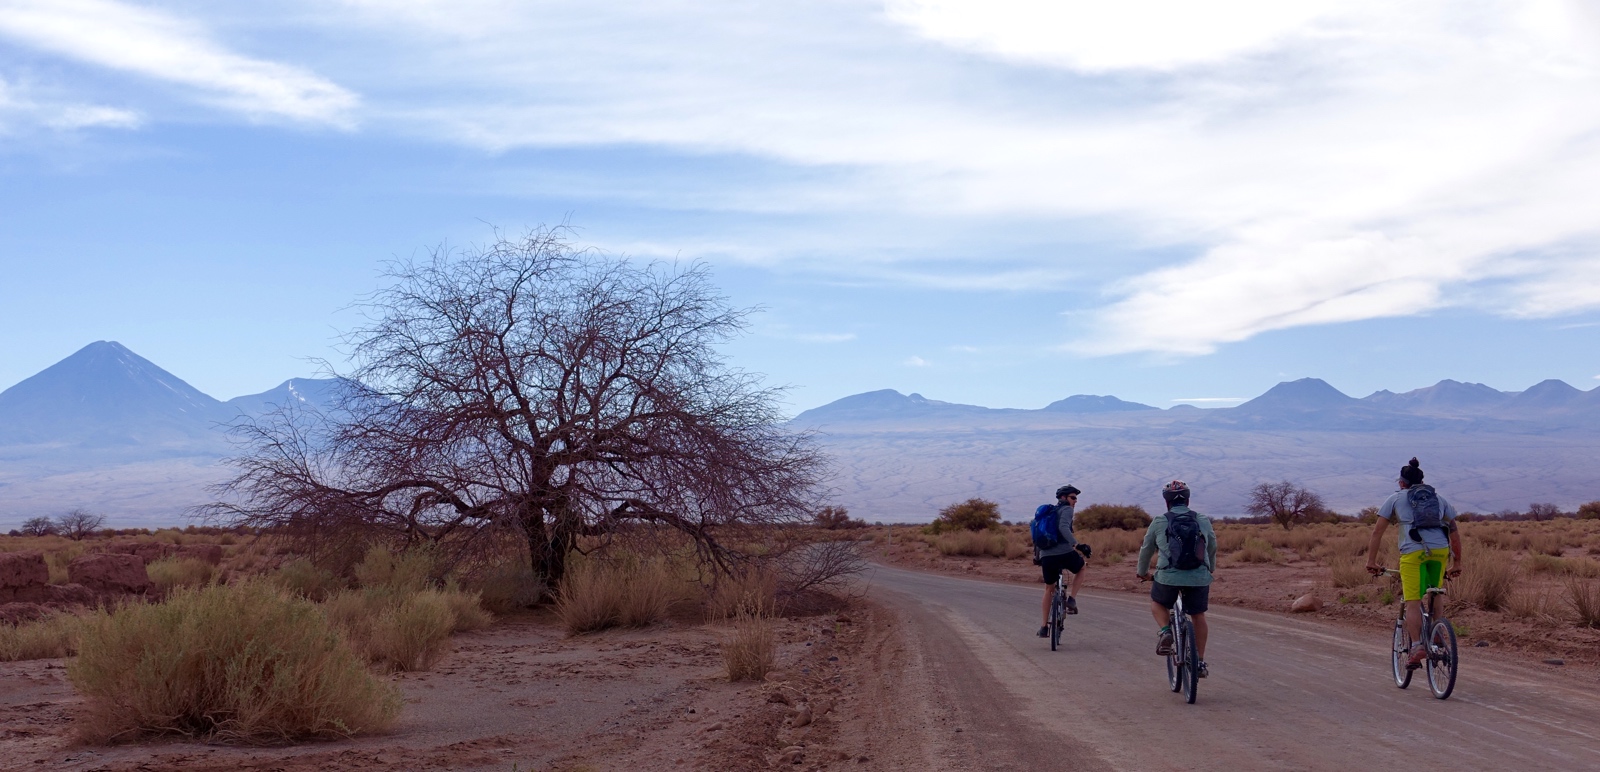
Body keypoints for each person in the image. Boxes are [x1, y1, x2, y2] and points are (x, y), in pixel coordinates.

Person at [1365, 457, 1463, 668]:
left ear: (1402, 483)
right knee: (1435, 592)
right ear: (1422, 481)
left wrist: (1371, 561)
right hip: (1440, 551)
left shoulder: (1395, 498)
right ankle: (1437, 635)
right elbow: (1454, 533)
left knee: (1413, 600)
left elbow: (1377, 532)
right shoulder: (1438, 499)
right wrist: (1457, 563)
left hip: (1413, 552)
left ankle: (1417, 645)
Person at [1137, 480, 1217, 677]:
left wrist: (1142, 572)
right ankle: (1200, 662)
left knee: (1157, 603)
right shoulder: (1202, 519)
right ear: (1188, 500)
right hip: (1199, 577)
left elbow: (1146, 549)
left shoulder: (1159, 521)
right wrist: (1210, 569)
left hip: (1168, 577)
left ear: (1167, 502)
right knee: (1198, 615)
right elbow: (1212, 546)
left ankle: (1166, 631)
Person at [1037, 484, 1090, 637]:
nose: (1075, 501)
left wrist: (1039, 556)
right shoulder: (1067, 509)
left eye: (1076, 498)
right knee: (1082, 567)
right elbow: (1063, 527)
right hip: (1064, 553)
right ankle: (1071, 600)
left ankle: (1043, 627)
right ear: (1063, 498)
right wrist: (1077, 545)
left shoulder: (1049, 512)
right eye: (1073, 498)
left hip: (1046, 555)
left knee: (1048, 589)